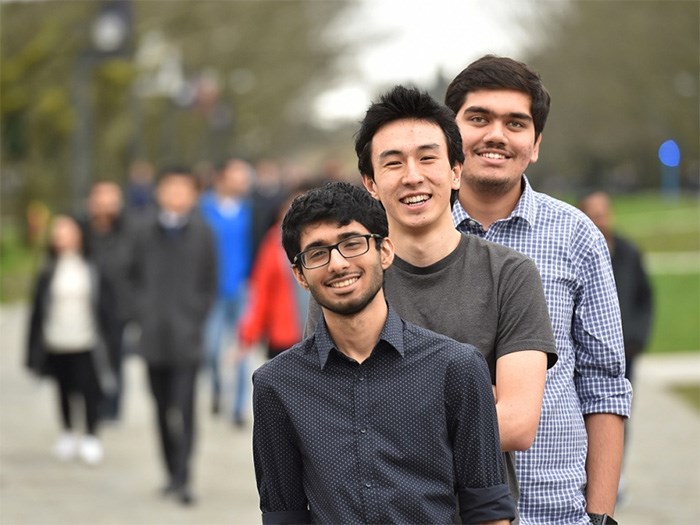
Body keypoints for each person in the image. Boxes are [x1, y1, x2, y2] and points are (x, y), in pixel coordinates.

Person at [307, 85, 557, 517]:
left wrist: (381, 414)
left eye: (427, 158)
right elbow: (329, 422)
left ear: (456, 170)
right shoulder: (343, 276)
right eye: (393, 163)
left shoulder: (510, 275)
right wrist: (470, 405)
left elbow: (517, 424)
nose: (412, 176)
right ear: (370, 183)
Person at [253, 181, 516, 524]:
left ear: (385, 251)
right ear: (300, 275)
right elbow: (283, 517)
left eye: (352, 244)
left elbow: (487, 510)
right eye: (317, 253)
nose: (337, 264)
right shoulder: (277, 385)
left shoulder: (457, 368)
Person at [444, 55, 633, 525]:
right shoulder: (408, 238)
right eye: (479, 118)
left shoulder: (577, 236)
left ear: (536, 144)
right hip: (439, 506)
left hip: (552, 509)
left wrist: (601, 515)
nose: (496, 135)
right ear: (449, 133)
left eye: (516, 123)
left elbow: (604, 383)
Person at [130, 167, 217, 505]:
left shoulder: (203, 233)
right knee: (161, 407)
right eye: (171, 188)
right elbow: (129, 275)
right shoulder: (142, 231)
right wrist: (141, 311)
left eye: (184, 189)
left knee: (184, 408)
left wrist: (196, 314)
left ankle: (184, 477)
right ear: (159, 192)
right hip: (152, 336)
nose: (177, 195)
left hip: (187, 337)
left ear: (193, 194)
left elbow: (210, 282)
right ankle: (169, 472)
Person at [26, 214, 116, 466]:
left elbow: (107, 307)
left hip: (86, 339)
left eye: (66, 230)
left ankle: (90, 435)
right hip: (56, 339)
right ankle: (67, 432)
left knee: (89, 390)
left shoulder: (93, 266)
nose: (60, 235)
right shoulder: (48, 268)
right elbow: (37, 310)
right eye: (57, 231)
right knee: (63, 389)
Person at [578, 190, 654, 386]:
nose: (600, 221)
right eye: (594, 216)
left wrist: (637, 338)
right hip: (584, 351)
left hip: (624, 348)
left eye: (604, 214)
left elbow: (644, 297)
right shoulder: (573, 254)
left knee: (622, 407)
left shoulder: (629, 252)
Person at [199, 158, 254, 423]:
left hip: (243, 290)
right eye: (238, 175)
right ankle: (218, 388)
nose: (244, 180)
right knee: (210, 349)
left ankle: (238, 408)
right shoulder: (203, 208)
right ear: (222, 177)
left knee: (242, 348)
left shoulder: (249, 210)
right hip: (212, 292)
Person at [238, 183, 314, 361]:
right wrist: (248, 335)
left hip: (320, 334)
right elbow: (261, 291)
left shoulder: (331, 244)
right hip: (284, 336)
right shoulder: (273, 243)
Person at [82, 180, 135, 421]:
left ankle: (112, 405)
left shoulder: (129, 231)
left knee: (115, 356)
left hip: (118, 307)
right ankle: (90, 401)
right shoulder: (83, 231)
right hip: (86, 305)